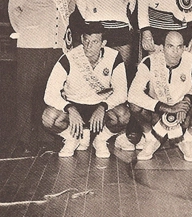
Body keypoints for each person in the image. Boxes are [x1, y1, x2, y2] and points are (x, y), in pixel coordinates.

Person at [8, 0, 76, 155]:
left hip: (56, 47)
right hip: (31, 45)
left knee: (50, 93)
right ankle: (24, 138)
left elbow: (71, 9)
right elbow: (14, 10)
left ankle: (45, 135)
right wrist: (30, 31)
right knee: (26, 93)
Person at [42, 22, 129, 158]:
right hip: (75, 106)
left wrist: (103, 106)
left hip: (100, 107)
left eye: (95, 42)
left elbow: (121, 93)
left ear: (103, 43)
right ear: (82, 39)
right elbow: (49, 94)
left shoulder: (114, 57)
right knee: (49, 118)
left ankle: (100, 139)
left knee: (123, 115)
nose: (89, 46)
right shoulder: (69, 58)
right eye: (86, 41)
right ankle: (72, 138)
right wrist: (69, 108)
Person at [127, 31, 192, 161]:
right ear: (161, 48)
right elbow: (133, 94)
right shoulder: (149, 62)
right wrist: (166, 108)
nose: (176, 51)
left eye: (180, 46)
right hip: (157, 114)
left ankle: (188, 140)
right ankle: (150, 138)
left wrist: (189, 98)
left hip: (182, 116)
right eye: (170, 46)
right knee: (135, 105)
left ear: (184, 48)